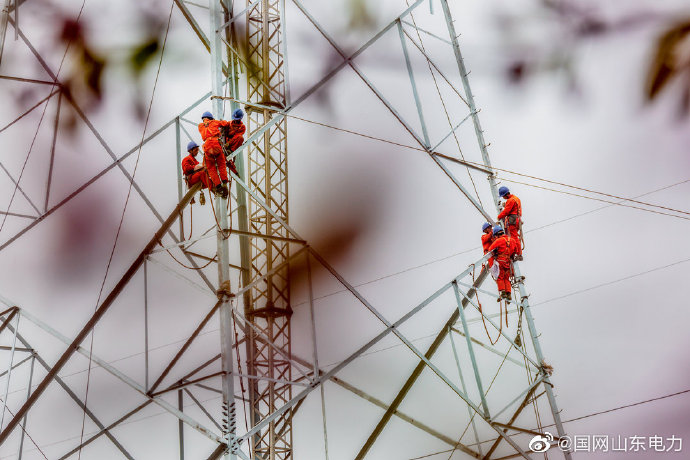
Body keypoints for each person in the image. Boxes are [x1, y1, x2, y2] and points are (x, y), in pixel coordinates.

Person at [198, 111, 230, 198]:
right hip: (216, 144)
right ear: (211, 118)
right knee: (221, 164)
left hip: (207, 147)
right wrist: (220, 122)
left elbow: (206, 127)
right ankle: (224, 183)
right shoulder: (214, 122)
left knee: (211, 168)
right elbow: (225, 123)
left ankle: (218, 186)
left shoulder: (200, 126)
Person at [487, 226, 519, 302]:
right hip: (508, 263)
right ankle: (509, 294)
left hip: (500, 261)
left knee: (500, 277)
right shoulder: (512, 240)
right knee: (506, 278)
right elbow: (516, 251)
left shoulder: (498, 241)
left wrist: (496, 252)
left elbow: (490, 250)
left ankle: (503, 292)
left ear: (497, 235)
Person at [496, 186, 523, 260]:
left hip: (512, 220)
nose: (503, 198)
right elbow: (513, 209)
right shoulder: (516, 198)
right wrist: (506, 206)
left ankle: (518, 254)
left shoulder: (510, 200)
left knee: (513, 238)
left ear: (505, 195)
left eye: (503, 196)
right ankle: (516, 253)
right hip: (517, 219)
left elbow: (506, 211)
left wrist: (499, 217)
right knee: (514, 237)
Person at [222, 108, 245, 176]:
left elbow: (236, 137)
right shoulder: (229, 124)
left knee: (240, 138)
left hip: (233, 145)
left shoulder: (242, 127)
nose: (235, 121)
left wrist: (229, 144)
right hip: (225, 143)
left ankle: (230, 151)